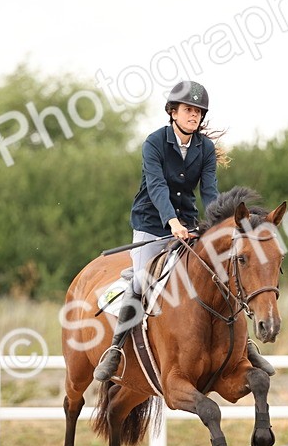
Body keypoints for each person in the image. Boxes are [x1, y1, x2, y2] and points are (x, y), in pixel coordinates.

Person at [93, 81, 274, 382]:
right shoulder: (154, 143)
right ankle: (115, 350)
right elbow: (157, 186)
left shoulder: (205, 148)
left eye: (198, 111)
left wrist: (217, 230)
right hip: (151, 225)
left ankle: (245, 346)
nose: (194, 115)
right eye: (188, 110)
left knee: (224, 276)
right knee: (141, 281)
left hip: (189, 225)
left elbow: (210, 192)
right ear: (173, 112)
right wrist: (171, 222)